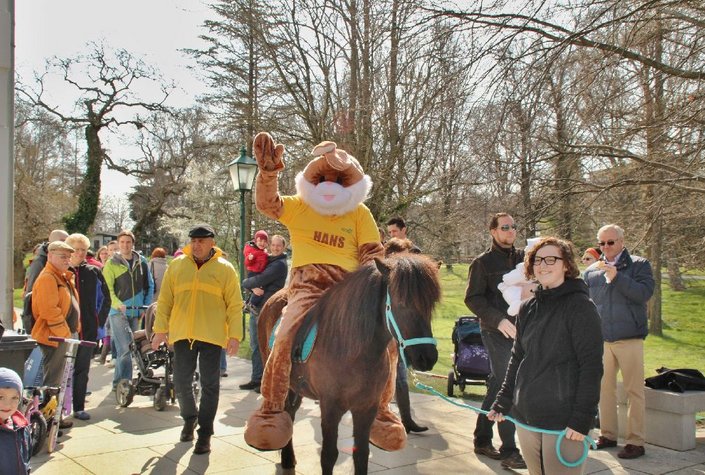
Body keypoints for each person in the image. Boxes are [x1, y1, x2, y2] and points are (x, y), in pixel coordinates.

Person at [487, 237, 604, 474]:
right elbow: (517, 358)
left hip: (564, 421)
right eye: (538, 260)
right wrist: (503, 400)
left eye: (552, 259)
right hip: (527, 415)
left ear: (567, 265)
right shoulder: (528, 307)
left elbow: (591, 366)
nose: (543, 265)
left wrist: (582, 418)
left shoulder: (580, 306)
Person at [152, 224, 243, 455]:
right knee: (181, 382)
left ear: (212, 242)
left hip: (212, 336)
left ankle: (205, 434)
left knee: (210, 385)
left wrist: (234, 336)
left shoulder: (225, 269)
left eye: (201, 241)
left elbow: (234, 305)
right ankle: (189, 418)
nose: (196, 245)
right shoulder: (177, 265)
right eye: (193, 240)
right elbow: (164, 301)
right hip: (183, 334)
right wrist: (160, 329)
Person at [584, 224, 654, 459]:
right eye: (601, 243)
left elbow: (644, 294)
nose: (605, 247)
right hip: (601, 339)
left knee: (635, 391)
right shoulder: (592, 270)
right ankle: (608, 435)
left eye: (610, 242)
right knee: (604, 390)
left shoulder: (639, 265)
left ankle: (636, 441)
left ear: (622, 242)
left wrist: (617, 278)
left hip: (630, 337)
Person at [464, 212, 526, 469]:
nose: (510, 231)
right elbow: (473, 298)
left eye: (513, 227)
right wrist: (499, 320)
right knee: (507, 383)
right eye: (504, 227)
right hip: (495, 330)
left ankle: (481, 437)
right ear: (493, 231)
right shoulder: (482, 263)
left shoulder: (527, 258)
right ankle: (510, 450)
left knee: (498, 385)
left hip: (524, 331)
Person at [384, 217, 427, 433]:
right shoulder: (385, 257)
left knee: (401, 371)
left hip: (408, 323)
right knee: (396, 371)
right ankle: (397, 418)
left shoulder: (415, 255)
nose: (391, 234)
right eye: (389, 232)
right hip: (390, 324)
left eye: (394, 231)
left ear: (404, 230)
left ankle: (406, 418)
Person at [65, 233, 111, 421]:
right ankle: (60, 409)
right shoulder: (62, 271)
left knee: (82, 369)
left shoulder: (93, 272)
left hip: (88, 330)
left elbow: (105, 298)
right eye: (76, 249)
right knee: (64, 371)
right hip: (66, 331)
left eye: (83, 250)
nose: (80, 253)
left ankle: (79, 407)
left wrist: (98, 320)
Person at [102, 230, 154, 391]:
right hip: (117, 312)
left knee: (132, 347)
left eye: (128, 242)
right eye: (122, 242)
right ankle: (121, 383)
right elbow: (107, 289)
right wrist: (118, 304)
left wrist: (146, 306)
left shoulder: (141, 262)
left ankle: (124, 382)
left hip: (136, 311)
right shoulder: (112, 263)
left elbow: (149, 285)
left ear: (133, 243)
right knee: (124, 347)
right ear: (118, 244)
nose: (125, 245)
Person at [239, 234, 289, 393]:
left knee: (265, 346)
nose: (275, 248)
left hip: (267, 310)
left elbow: (262, 278)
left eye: (278, 245)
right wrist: (252, 287)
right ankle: (256, 379)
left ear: (283, 247)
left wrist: (246, 283)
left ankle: (266, 382)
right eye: (273, 245)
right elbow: (255, 273)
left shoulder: (279, 264)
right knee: (255, 345)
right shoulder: (269, 259)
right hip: (257, 308)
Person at [0, 368, 31, 475]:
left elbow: (26, 459)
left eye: (14, 397)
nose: (8, 404)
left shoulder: (22, 427)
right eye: (0, 397)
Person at [243, 230, 269, 309]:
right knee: (259, 291)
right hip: (253, 273)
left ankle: (249, 302)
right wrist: (250, 259)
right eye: (260, 241)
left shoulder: (263, 251)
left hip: (259, 273)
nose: (262, 243)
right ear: (255, 241)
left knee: (258, 290)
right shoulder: (252, 251)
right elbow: (247, 263)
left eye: (265, 241)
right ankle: (251, 304)